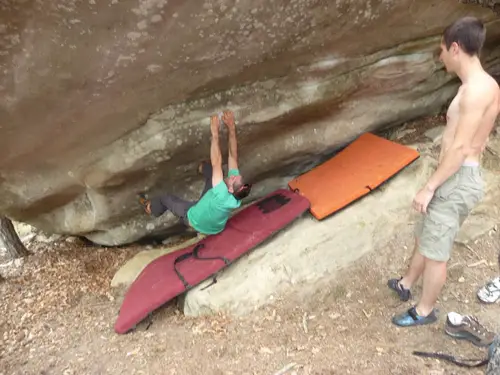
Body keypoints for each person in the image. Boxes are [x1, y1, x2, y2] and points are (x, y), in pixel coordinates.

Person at [388, 16, 500, 327]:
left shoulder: (475, 91)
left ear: (455, 49)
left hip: (457, 176)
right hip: (457, 174)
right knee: (428, 232)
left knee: (437, 249)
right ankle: (407, 283)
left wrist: (430, 186)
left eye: (441, 51)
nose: (440, 58)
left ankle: (425, 311)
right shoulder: (486, 85)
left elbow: (462, 148)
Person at [139, 110, 252, 235]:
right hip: (215, 225)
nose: (233, 176)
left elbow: (217, 162)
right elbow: (233, 155)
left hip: (195, 219)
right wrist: (231, 127)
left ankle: (151, 208)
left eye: (233, 179)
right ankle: (202, 168)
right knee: (212, 173)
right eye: (236, 176)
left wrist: (215, 133)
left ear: (230, 189)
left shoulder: (221, 193)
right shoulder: (235, 192)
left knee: (165, 199)